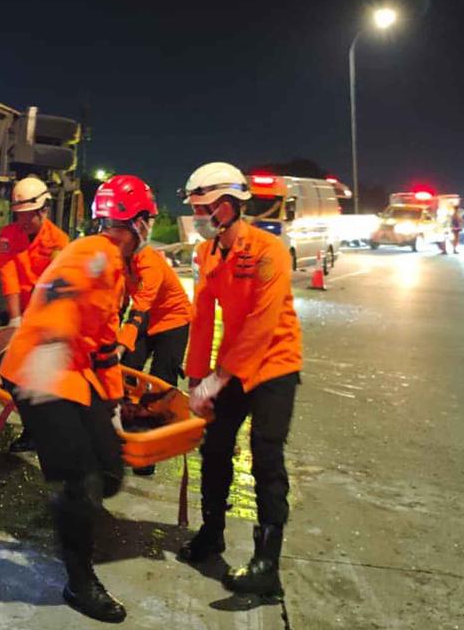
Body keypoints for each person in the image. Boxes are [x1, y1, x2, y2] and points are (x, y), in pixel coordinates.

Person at [0, 174, 158, 623]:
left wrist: (111, 407)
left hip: (70, 369)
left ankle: (73, 506)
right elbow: (59, 302)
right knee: (84, 481)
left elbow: (103, 343)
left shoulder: (106, 257)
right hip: (42, 371)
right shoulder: (95, 257)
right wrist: (50, 354)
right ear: (141, 222)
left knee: (109, 469)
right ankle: (79, 580)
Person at [176, 161, 303, 603]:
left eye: (203, 207)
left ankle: (267, 566)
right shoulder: (206, 255)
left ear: (228, 206)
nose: (197, 216)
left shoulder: (269, 250)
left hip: (274, 365)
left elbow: (262, 324)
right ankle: (211, 534)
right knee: (214, 449)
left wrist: (219, 377)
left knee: (266, 456)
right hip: (229, 365)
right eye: (195, 207)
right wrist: (196, 380)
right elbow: (201, 317)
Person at [0, 176, 70, 453]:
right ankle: (33, 428)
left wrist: (35, 323)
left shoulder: (58, 242)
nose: (23, 221)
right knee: (12, 374)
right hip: (21, 315)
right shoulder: (7, 235)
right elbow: (9, 276)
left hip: (48, 317)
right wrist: (16, 321)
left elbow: (54, 287)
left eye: (29, 216)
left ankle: (47, 430)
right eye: (19, 215)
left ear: (43, 210)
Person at [118, 244, 192, 476]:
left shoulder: (149, 261)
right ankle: (126, 432)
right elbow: (119, 301)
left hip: (173, 319)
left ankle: (150, 450)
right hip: (148, 319)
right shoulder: (119, 259)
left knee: (161, 382)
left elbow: (139, 307)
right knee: (126, 371)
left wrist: (121, 345)